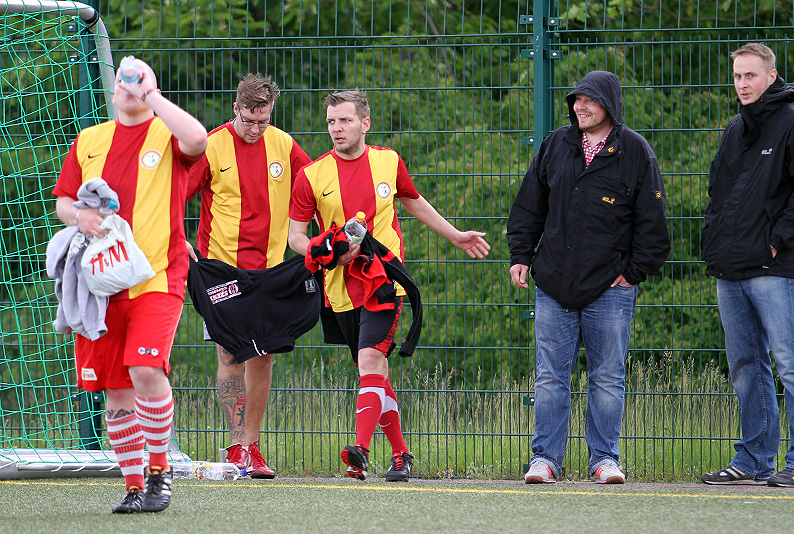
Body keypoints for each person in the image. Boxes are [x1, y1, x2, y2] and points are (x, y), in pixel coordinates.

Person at [288, 89, 490, 481]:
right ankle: (401, 454)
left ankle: (359, 452)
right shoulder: (311, 175)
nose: (336, 128)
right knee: (376, 372)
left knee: (370, 360)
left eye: (345, 120)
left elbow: (413, 201)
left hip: (385, 284)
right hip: (340, 289)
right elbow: (296, 237)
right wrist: (326, 251)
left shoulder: (388, 161)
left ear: (365, 123)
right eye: (331, 121)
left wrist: (455, 236)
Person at [53, 57, 207, 512]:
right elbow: (64, 201)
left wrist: (153, 96)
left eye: (137, 82)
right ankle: (135, 486)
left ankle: (160, 473)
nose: (128, 87)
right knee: (116, 389)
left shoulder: (166, 132)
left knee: (145, 369)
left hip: (157, 276)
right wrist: (80, 217)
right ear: (113, 90)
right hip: (100, 285)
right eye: (123, 81)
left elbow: (198, 138)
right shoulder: (90, 140)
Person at [507, 70, 670, 484]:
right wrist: (520, 255)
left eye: (589, 100)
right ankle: (545, 460)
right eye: (576, 99)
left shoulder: (635, 151)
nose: (580, 106)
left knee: (607, 377)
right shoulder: (555, 144)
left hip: (610, 288)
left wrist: (632, 273)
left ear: (609, 105)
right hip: (553, 283)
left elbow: (653, 223)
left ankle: (604, 460)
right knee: (550, 377)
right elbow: (529, 205)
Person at [186, 73, 312, 478]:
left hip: (271, 271)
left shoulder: (284, 144)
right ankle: (236, 444)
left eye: (264, 120)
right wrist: (177, 240)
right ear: (235, 108)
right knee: (230, 354)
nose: (256, 129)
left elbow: (316, 185)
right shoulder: (211, 145)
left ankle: (251, 446)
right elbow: (174, 193)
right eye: (249, 120)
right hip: (222, 270)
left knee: (264, 355)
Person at [700, 43, 794, 487]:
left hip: (776, 268)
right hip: (730, 267)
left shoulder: (790, 120)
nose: (742, 84)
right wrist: (714, 240)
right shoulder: (735, 128)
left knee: (789, 365)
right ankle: (754, 461)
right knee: (745, 367)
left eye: (750, 75)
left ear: (771, 76)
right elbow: (717, 194)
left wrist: (776, 242)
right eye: (737, 76)